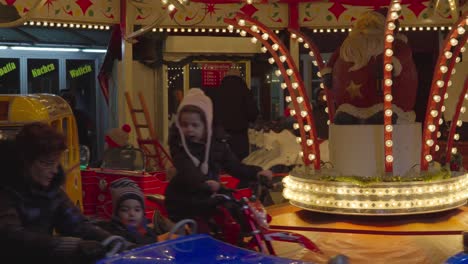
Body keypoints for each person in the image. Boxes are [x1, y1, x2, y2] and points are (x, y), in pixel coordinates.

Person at [0, 122, 129, 263]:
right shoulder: (5, 191)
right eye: (47, 163)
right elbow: (11, 236)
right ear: (25, 162)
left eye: (56, 163)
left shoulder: (51, 191)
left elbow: (77, 223)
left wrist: (113, 240)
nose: (54, 170)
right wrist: (70, 245)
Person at [164, 88, 272, 233]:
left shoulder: (218, 145)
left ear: (207, 125)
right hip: (186, 199)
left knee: (239, 215)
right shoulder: (179, 146)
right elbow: (187, 170)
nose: (189, 129)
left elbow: (233, 166)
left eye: (195, 125)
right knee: (205, 230)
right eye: (184, 125)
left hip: (209, 195)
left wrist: (256, 173)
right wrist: (205, 184)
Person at [205, 68, 259, 161]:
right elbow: (252, 112)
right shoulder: (244, 90)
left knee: (221, 162)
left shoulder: (217, 91)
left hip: (221, 134)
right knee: (239, 163)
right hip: (240, 134)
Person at [97, 178, 158, 245]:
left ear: (143, 212)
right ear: (116, 213)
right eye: (125, 210)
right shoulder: (112, 234)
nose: (132, 214)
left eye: (137, 210)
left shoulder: (148, 232)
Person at [60, 89, 96, 156]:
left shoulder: (81, 116)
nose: (66, 104)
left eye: (68, 101)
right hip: (68, 150)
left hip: (79, 148)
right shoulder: (58, 117)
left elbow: (89, 134)